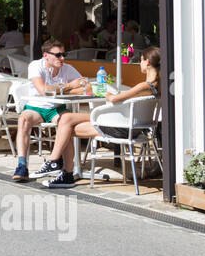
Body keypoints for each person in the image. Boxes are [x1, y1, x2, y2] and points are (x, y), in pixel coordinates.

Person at [42, 47, 163, 187]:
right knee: (66, 120)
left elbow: (114, 99)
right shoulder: (157, 86)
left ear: (147, 62)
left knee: (65, 127)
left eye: (141, 60)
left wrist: (103, 91)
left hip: (120, 129)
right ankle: (57, 165)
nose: (139, 64)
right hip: (132, 127)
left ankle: (62, 170)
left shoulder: (144, 86)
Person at [11, 38, 91, 182]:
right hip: (36, 106)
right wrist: (69, 86)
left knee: (67, 123)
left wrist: (63, 89)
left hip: (56, 108)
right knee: (23, 119)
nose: (62, 58)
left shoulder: (68, 68)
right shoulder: (36, 66)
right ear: (45, 55)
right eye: (58, 55)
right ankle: (22, 165)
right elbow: (43, 90)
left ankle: (67, 171)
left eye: (64, 54)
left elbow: (87, 86)